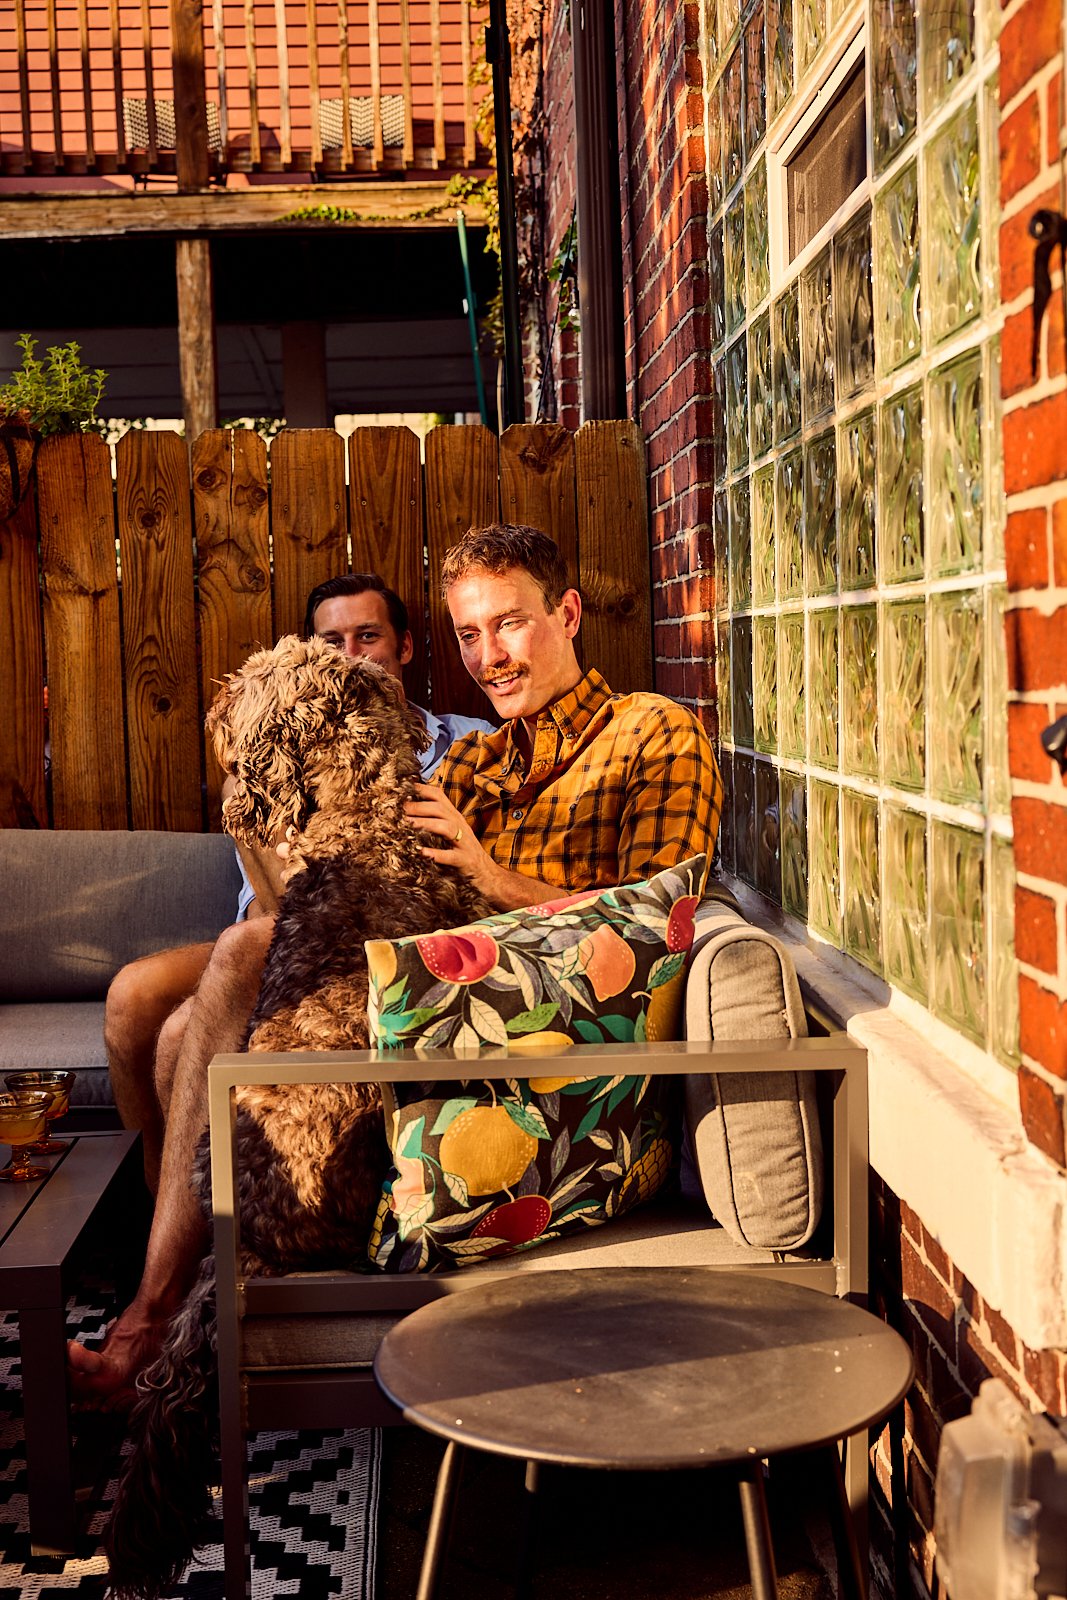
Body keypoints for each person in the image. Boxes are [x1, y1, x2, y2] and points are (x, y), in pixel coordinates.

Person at [70, 525, 722, 1407]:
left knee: (245, 951)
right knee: (182, 1021)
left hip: (542, 1048)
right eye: (468, 634)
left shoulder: (653, 731)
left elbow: (654, 922)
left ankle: (151, 1316)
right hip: (432, 1000)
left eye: (510, 624)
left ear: (567, 613)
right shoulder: (477, 761)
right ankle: (181, 1302)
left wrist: (486, 875)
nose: (488, 656)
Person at [105, 574, 492, 1193]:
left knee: (182, 1032)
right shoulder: (274, 746)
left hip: (390, 934)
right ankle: (156, 1200)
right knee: (131, 995)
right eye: (330, 639)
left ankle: (202, 1221)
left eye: (368, 636)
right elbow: (259, 907)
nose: (349, 655)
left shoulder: (470, 743)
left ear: (406, 647)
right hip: (277, 931)